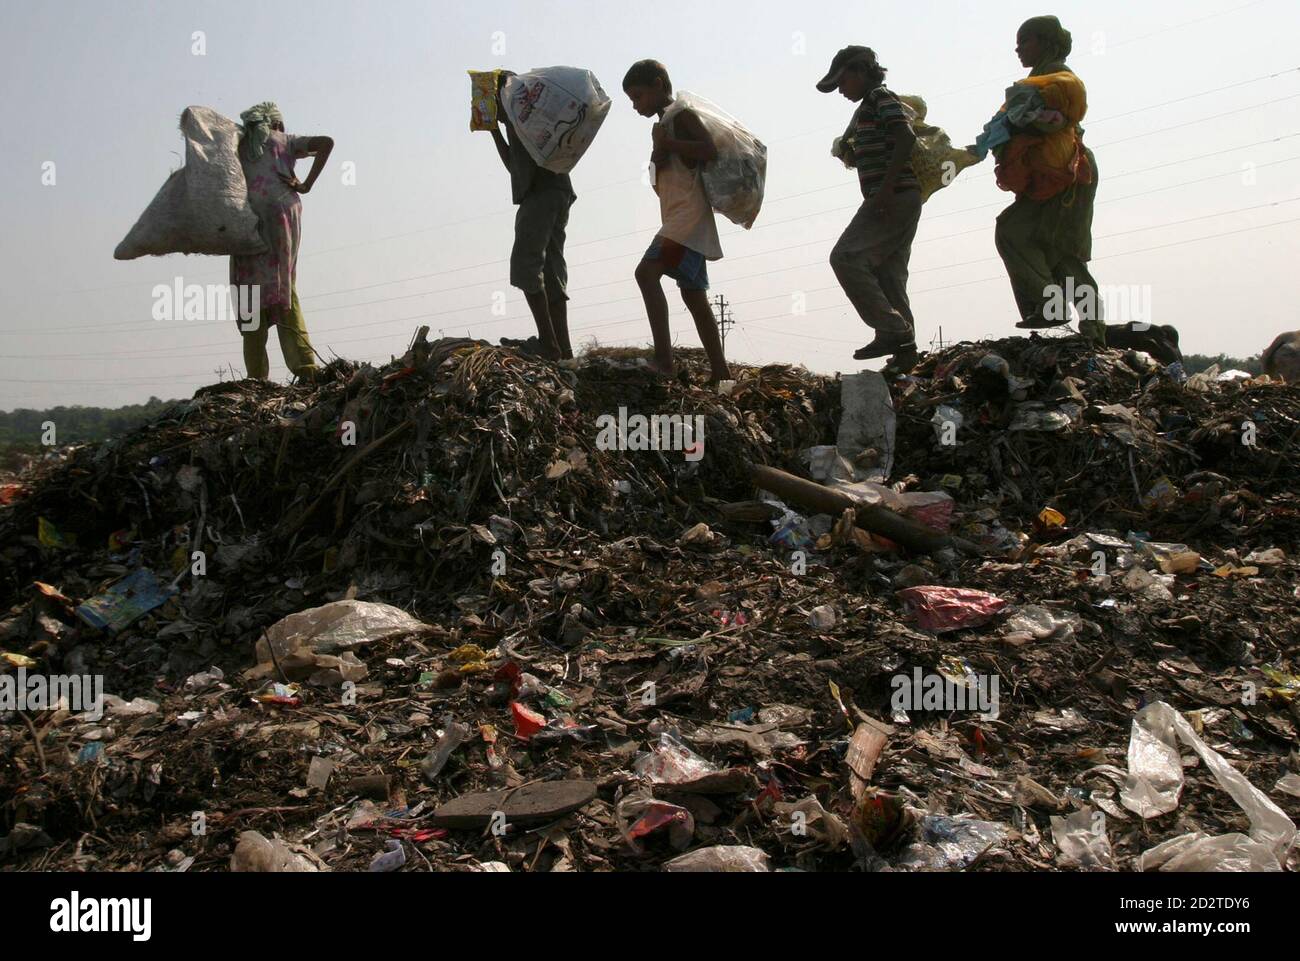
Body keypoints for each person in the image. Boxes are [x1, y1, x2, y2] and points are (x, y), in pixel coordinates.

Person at [991, 16, 1105, 346]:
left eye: (1025, 40)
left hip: (1066, 174)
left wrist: (1013, 126)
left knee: (1015, 232)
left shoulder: (1056, 79)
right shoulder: (1039, 78)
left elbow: (1050, 122)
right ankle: (1093, 330)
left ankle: (1049, 306)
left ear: (1046, 43)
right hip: (1056, 175)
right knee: (1059, 250)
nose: (1018, 48)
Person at [623, 59, 730, 384]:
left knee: (646, 274)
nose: (635, 105)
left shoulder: (680, 115)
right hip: (682, 217)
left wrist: (666, 145)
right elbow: (662, 179)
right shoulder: (664, 124)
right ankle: (721, 373)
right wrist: (658, 155)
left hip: (687, 219)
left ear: (658, 85)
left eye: (638, 96)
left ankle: (664, 361)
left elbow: (708, 149)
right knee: (693, 295)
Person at [818, 46, 921, 367]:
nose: (841, 91)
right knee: (889, 274)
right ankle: (906, 356)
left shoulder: (880, 98)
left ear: (861, 71)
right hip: (900, 197)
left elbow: (905, 138)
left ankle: (892, 329)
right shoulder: (868, 107)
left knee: (846, 257)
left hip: (893, 196)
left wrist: (885, 191)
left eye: (843, 82)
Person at [230, 102, 333, 382]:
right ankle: (305, 367)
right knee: (284, 286)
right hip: (281, 217)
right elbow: (326, 143)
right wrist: (307, 184)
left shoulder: (238, 146)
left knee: (249, 294)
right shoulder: (284, 141)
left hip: (247, 222)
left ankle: (256, 377)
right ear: (275, 124)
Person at [489, 73, 576, 360]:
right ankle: (563, 348)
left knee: (526, 266)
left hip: (540, 195)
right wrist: (494, 131)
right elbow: (515, 166)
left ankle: (549, 344)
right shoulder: (525, 120)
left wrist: (498, 124)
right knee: (551, 269)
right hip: (557, 193)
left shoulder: (520, 118)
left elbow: (519, 168)